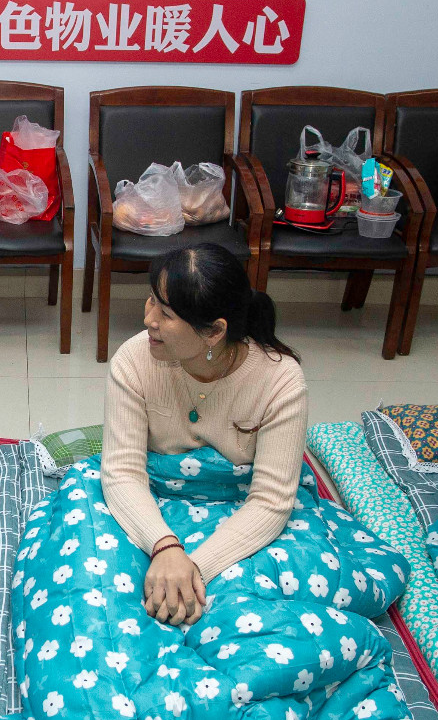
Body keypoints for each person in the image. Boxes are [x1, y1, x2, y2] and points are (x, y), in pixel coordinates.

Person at [101, 243, 308, 628]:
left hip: (240, 515)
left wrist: (194, 569)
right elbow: (123, 472)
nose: (148, 320)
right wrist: (164, 547)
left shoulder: (280, 381)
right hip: (150, 505)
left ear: (214, 332)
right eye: (151, 300)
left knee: (259, 608)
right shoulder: (134, 360)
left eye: (166, 314)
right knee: (101, 590)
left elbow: (271, 501)